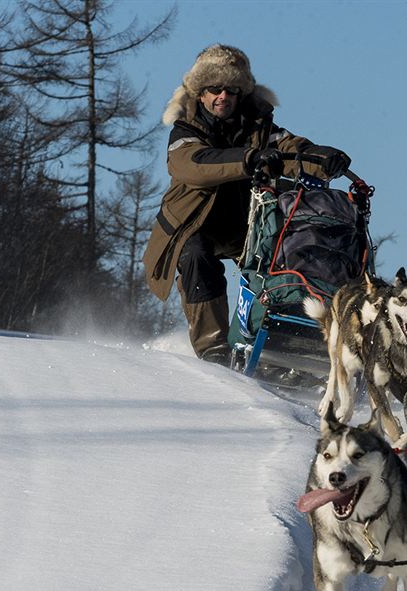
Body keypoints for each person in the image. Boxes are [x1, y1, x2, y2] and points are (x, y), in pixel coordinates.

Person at [143, 45, 350, 364]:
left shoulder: (259, 126)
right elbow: (193, 165)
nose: (222, 96)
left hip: (247, 225)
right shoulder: (186, 128)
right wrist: (249, 159)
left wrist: (324, 159)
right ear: (201, 93)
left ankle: (279, 339)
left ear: (241, 93)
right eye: (214, 89)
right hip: (194, 224)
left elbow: (292, 149)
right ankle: (213, 348)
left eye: (231, 89)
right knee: (197, 256)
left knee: (282, 257)